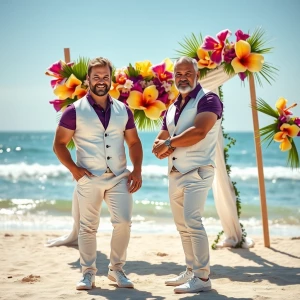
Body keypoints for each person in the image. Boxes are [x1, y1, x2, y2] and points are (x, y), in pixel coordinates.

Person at [53, 57, 143, 290]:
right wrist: (74, 170)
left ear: (111, 79)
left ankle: (116, 269)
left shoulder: (124, 110)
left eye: (105, 77)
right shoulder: (73, 111)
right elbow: (59, 144)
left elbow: (133, 142)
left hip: (119, 177)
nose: (101, 81)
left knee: (123, 222)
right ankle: (88, 273)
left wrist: (137, 170)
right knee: (88, 227)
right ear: (88, 80)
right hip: (89, 177)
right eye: (96, 77)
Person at [152, 56, 223, 294]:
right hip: (175, 173)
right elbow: (163, 135)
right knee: (182, 226)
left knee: (193, 221)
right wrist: (158, 145)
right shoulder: (172, 107)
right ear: (174, 78)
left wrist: (169, 143)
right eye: (178, 74)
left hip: (198, 171)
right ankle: (191, 270)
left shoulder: (209, 99)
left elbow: (200, 131)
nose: (183, 78)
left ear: (197, 75)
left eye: (188, 73)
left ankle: (202, 278)